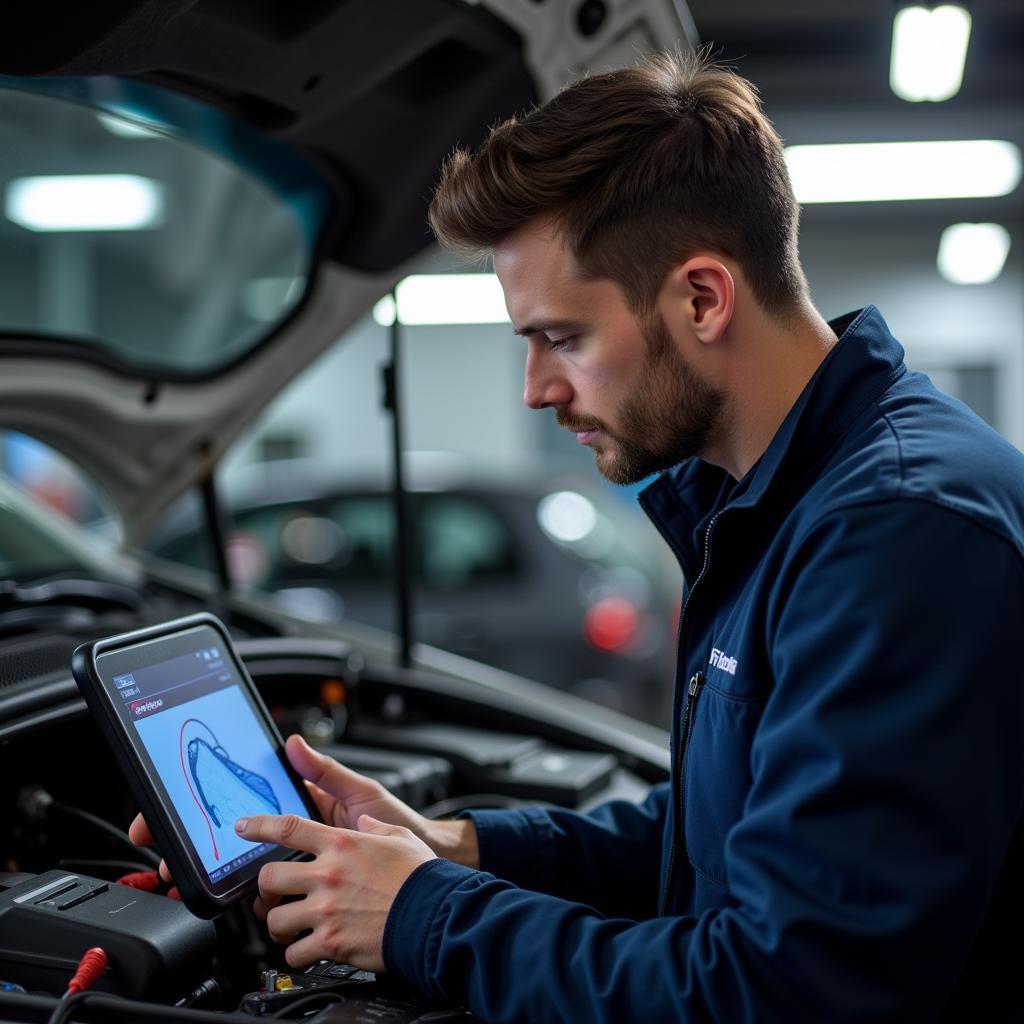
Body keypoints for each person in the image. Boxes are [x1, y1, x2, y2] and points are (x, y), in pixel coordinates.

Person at [133, 50, 1024, 1021]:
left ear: (701, 298)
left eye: (560, 337)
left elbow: (786, 991)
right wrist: (448, 850)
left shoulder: (892, 533)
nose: (536, 389)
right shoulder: (779, 500)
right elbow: (716, 841)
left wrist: (423, 916)